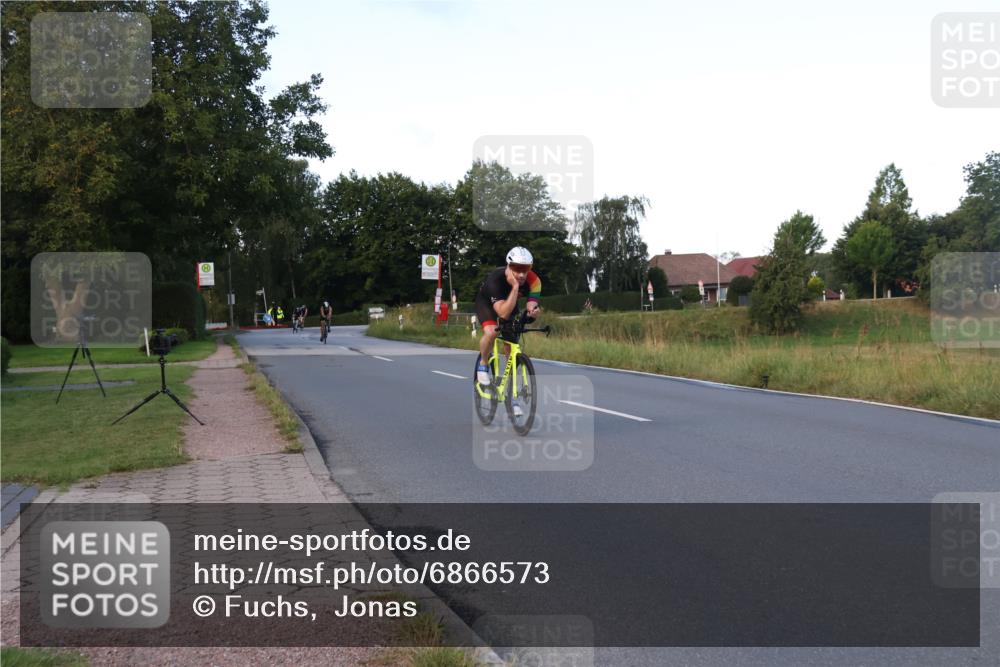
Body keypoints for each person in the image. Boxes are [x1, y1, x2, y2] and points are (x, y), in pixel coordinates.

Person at [474, 246, 541, 392]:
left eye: (526, 269)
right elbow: (502, 314)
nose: (522, 274)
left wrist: (532, 313)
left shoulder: (535, 281)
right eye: (517, 269)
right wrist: (515, 286)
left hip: (509, 304)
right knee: (492, 332)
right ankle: (483, 364)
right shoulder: (495, 280)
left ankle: (511, 390)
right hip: (487, 305)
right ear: (509, 267)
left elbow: (531, 304)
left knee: (511, 342)